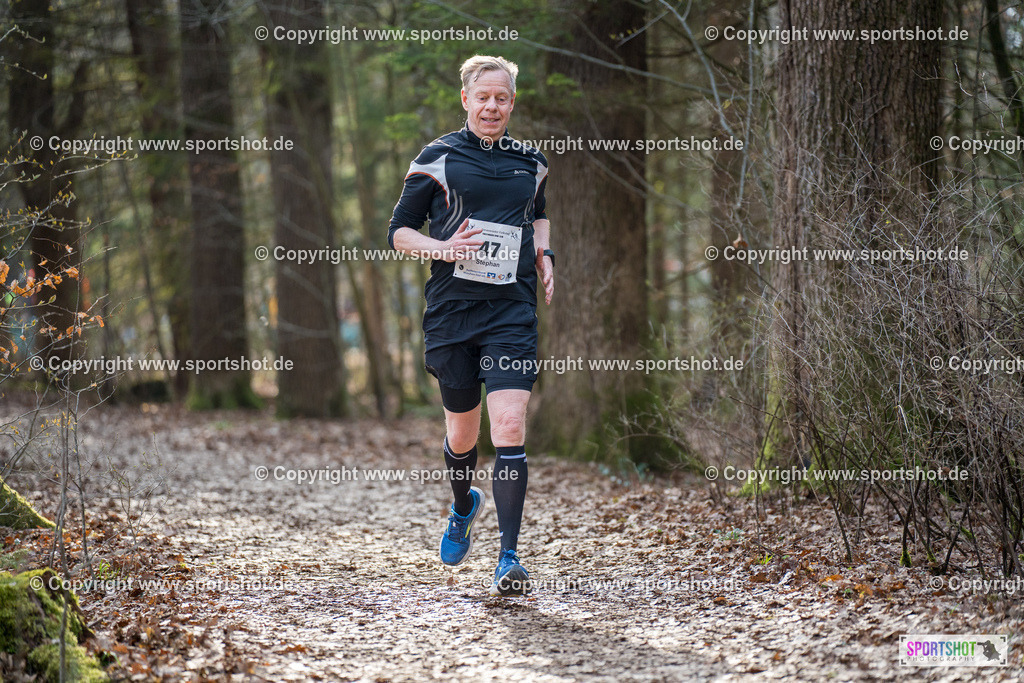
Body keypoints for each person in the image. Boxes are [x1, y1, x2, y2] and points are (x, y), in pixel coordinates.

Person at [387, 55, 554, 596]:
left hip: (510, 309)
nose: (492, 106)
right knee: (463, 434)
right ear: (466, 100)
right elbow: (400, 231)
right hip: (453, 311)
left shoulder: (530, 160)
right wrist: (442, 246)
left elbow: (540, 211)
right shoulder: (437, 158)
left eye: (502, 98)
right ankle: (464, 505)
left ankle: (509, 558)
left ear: (512, 103)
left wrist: (545, 254)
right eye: (483, 97)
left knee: (508, 426)